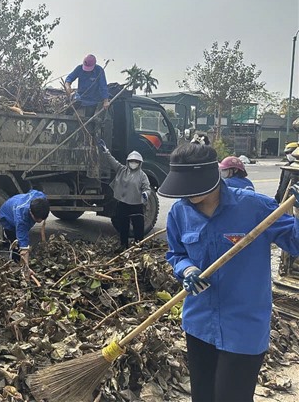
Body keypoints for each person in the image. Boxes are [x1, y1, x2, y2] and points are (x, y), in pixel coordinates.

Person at [158, 142, 299, 402]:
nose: (187, 195)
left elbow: (295, 243)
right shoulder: (179, 212)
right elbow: (176, 254)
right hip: (199, 324)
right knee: (203, 397)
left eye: (192, 187)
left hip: (243, 327)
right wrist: (186, 268)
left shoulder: (255, 207)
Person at [98, 140, 151, 250]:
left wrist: (145, 194)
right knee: (123, 226)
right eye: (131, 161)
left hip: (136, 204)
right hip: (123, 204)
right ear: (128, 161)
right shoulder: (122, 170)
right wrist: (106, 151)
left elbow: (147, 188)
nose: (133, 163)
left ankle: (138, 245)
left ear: (140, 163)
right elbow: (112, 161)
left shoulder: (142, 175)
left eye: (136, 161)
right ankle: (123, 245)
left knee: (138, 227)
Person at [0, 190, 50, 268]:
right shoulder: (21, 218)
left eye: (42, 219)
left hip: (18, 200)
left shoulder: (40, 197)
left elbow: (32, 191)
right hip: (7, 216)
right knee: (16, 243)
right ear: (30, 212)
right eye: (37, 219)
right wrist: (27, 268)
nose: (39, 221)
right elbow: (24, 247)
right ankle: (15, 264)